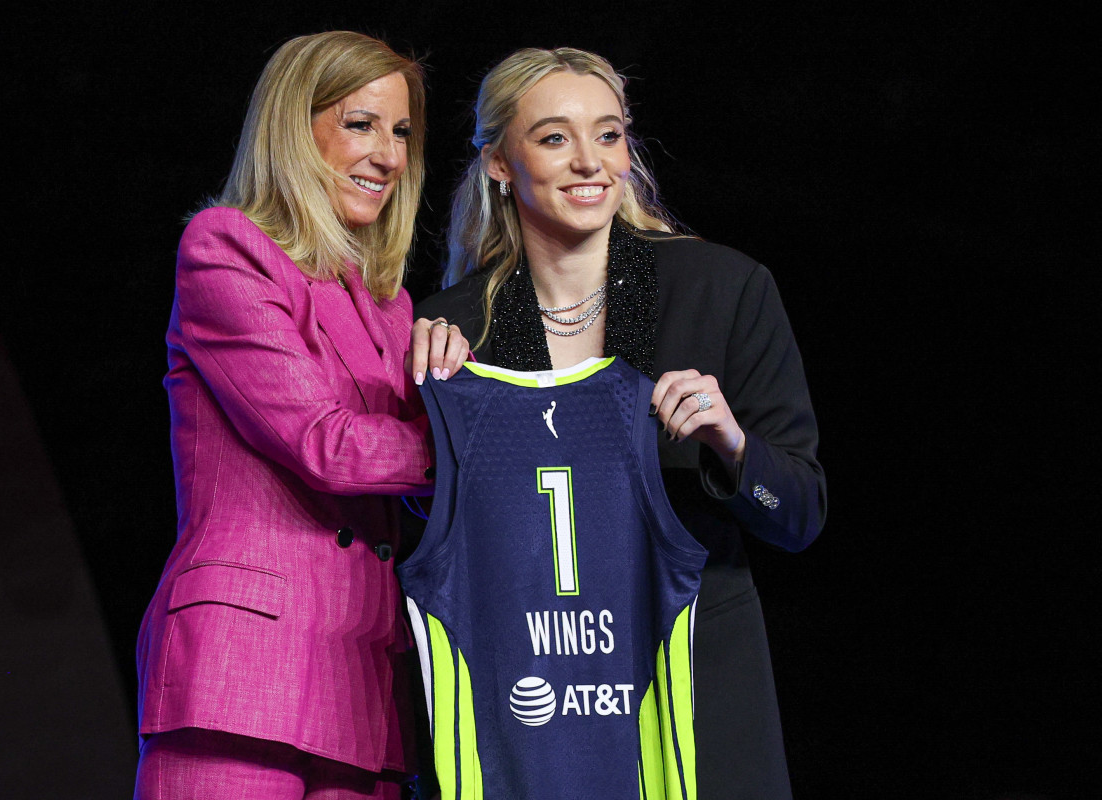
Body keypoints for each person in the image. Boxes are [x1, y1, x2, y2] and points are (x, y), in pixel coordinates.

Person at [414, 47, 827, 798]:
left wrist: (732, 446)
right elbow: (439, 537)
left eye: (608, 135)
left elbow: (799, 513)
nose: (589, 163)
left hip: (700, 700)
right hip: (535, 716)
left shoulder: (721, 289)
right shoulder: (453, 327)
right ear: (501, 163)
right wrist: (419, 392)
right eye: (553, 137)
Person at [134, 31, 465, 799]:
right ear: (293, 127)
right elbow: (324, 444)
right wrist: (470, 444)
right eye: (361, 124)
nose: (389, 155)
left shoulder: (394, 307)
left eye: (403, 132)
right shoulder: (226, 246)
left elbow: (414, 482)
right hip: (243, 667)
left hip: (365, 680)